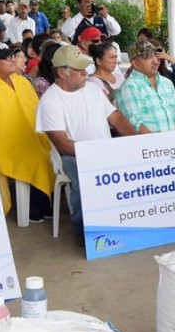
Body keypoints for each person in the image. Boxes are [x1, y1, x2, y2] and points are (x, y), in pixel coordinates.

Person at [36, 45, 136, 242]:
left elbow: (116, 118)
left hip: (104, 151)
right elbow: (62, 143)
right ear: (61, 73)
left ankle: (128, 220)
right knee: (84, 178)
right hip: (72, 156)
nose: (85, 72)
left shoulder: (92, 89)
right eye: (78, 69)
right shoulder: (50, 101)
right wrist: (94, 154)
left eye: (85, 67)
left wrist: (135, 140)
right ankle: (84, 231)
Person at [0, 41, 54, 222]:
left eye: (13, 57)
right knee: (35, 157)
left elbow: (34, 110)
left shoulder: (22, 82)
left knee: (48, 152)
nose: (13, 61)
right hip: (0, 143)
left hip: (29, 136)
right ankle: (33, 209)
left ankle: (44, 204)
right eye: (7, 59)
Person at [116, 42, 175, 133]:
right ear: (135, 63)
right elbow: (135, 125)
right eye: (149, 57)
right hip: (150, 146)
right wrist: (161, 146)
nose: (156, 61)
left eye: (156, 56)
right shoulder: (129, 87)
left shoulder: (167, 83)